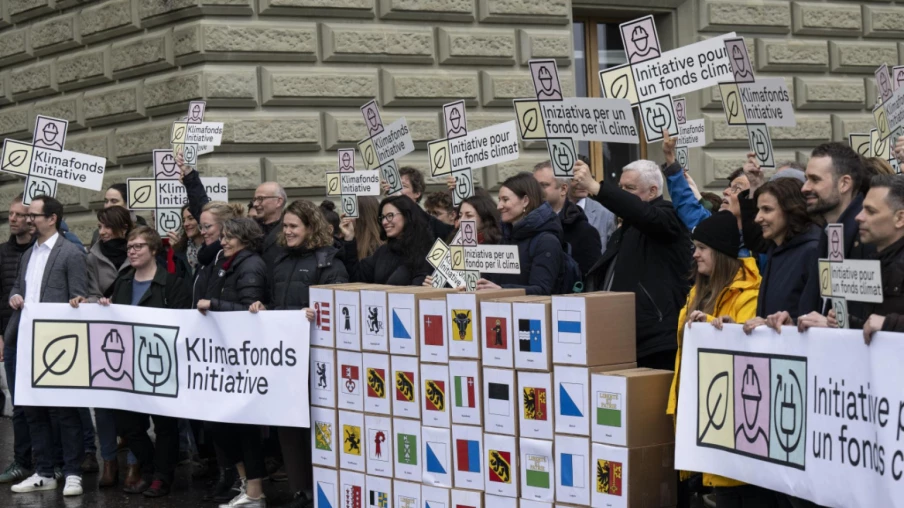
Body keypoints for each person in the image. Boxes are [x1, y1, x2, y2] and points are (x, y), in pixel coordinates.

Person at [249, 201, 348, 508]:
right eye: (285, 226)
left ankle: (324, 490)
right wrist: (263, 308)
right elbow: (275, 302)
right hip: (285, 358)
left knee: (317, 427)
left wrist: (319, 314)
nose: (288, 231)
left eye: (294, 226)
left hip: (317, 360)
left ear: (310, 227)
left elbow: (341, 311)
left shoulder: (330, 263)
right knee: (289, 426)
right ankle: (300, 490)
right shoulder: (279, 261)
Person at [666, 211, 763, 506]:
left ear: (720, 252)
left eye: (702, 248)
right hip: (702, 406)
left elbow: (749, 349)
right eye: (694, 247)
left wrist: (716, 328)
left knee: (734, 493)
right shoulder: (697, 292)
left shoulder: (748, 295)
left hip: (732, 415)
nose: (695, 254)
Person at [86, 227, 190, 496]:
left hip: (160, 365)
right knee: (127, 425)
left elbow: (182, 324)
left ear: (154, 250)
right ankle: (153, 466)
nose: (131, 252)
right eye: (129, 247)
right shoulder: (123, 282)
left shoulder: (172, 284)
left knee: (165, 424)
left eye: (138, 246)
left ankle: (162, 477)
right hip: (127, 366)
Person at [573, 149, 693, 369]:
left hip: (657, 338)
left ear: (653, 191)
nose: (623, 194)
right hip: (625, 334)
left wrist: (596, 187)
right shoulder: (625, 229)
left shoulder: (668, 216)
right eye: (620, 188)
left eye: (629, 188)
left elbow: (643, 214)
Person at [6, 196, 87, 497]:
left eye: (34, 215)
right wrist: (15, 297)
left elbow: (81, 295)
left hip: (58, 343)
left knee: (65, 410)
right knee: (32, 410)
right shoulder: (29, 254)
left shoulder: (71, 253)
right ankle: (44, 472)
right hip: (25, 339)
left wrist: (77, 302)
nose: (29, 220)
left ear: (52, 218)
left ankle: (73, 473)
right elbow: (19, 287)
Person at [196, 218, 269, 508]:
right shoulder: (226, 264)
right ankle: (246, 483)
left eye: (230, 237)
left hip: (242, 359)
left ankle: (255, 491)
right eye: (223, 236)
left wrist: (214, 305)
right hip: (225, 356)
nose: (223, 241)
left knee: (242, 427)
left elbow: (249, 313)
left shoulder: (250, 266)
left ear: (245, 239)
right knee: (219, 425)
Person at [68, 206, 134, 488]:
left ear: (123, 228)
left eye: (107, 227)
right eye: (100, 226)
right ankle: (109, 461)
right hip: (103, 333)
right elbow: (91, 292)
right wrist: (97, 304)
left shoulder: (137, 249)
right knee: (104, 402)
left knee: (133, 402)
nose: (102, 232)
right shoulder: (92, 256)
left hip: (134, 332)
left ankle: (134, 462)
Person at [741, 179, 822, 332]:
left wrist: (791, 323)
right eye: (758, 210)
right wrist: (733, 326)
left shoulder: (813, 251)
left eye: (767, 210)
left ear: (791, 210)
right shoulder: (776, 248)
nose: (758, 218)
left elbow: (816, 317)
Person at [476, 173, 564, 295]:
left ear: (525, 201)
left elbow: (542, 290)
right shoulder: (504, 239)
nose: (499, 206)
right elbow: (489, 282)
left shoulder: (547, 241)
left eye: (505, 200)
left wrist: (501, 290)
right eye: (499, 200)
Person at [0, 194, 34, 485]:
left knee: (47, 405)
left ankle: (51, 461)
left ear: (31, 219)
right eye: (10, 213)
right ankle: (22, 461)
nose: (12, 218)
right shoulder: (2, 253)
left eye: (19, 214)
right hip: (11, 337)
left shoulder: (41, 251)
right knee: (19, 403)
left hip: (40, 336)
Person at [532, 160, 602, 275]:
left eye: (544, 185)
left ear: (563, 189)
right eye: (534, 186)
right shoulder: (525, 224)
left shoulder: (584, 232)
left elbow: (591, 279)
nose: (537, 191)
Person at [347, 195, 434, 286]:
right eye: (382, 217)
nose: (384, 222)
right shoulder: (383, 251)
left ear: (406, 215)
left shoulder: (427, 251)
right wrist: (349, 239)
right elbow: (357, 277)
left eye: (390, 216)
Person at [568, 156, 616, 254]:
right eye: (576, 179)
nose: (582, 184)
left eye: (586, 178)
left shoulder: (605, 213)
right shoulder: (554, 209)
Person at [251, 181, 288, 267]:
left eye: (260, 199)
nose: (255, 204)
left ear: (278, 201)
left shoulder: (289, 229)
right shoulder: (249, 229)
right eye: (255, 199)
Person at [339, 196, 383, 263]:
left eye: (351, 213)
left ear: (362, 217)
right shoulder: (344, 241)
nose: (346, 218)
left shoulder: (377, 248)